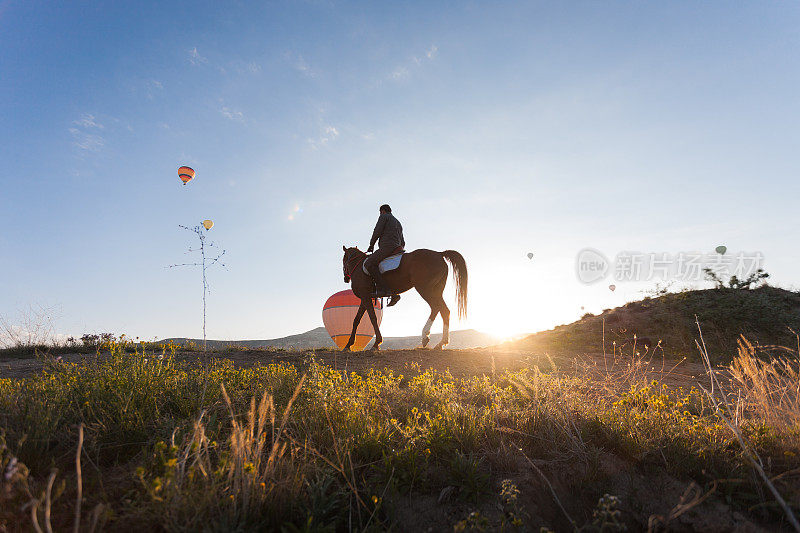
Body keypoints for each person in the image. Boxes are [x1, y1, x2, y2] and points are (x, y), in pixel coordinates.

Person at [365, 204, 404, 305]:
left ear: (382, 211)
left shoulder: (383, 217)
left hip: (387, 247)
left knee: (369, 263)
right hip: (397, 248)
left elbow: (377, 231)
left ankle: (383, 289)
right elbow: (403, 241)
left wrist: (371, 245)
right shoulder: (398, 222)